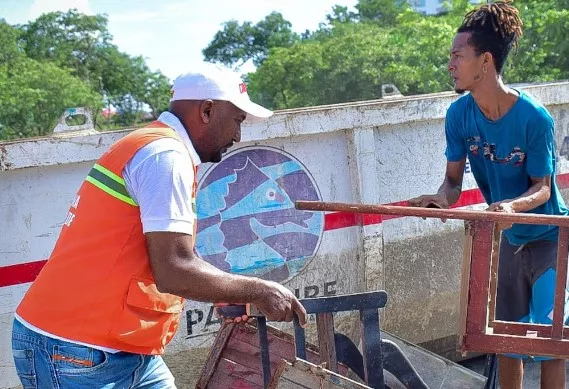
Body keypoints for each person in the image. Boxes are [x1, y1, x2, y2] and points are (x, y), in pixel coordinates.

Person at [11, 64, 308, 389]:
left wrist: (223, 293)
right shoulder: (165, 157)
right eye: (237, 120)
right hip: (75, 352)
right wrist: (259, 290)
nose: (238, 136)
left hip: (117, 350)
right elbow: (174, 268)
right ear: (207, 110)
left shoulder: (158, 148)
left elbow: (163, 259)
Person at [408, 2, 568, 388]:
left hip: (549, 238)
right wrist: (439, 200)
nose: (450, 64)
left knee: (551, 342)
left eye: (457, 56)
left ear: (485, 61)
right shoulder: (459, 115)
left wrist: (511, 206)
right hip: (507, 237)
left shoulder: (534, 117)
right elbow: (451, 184)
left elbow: (543, 187)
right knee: (506, 343)